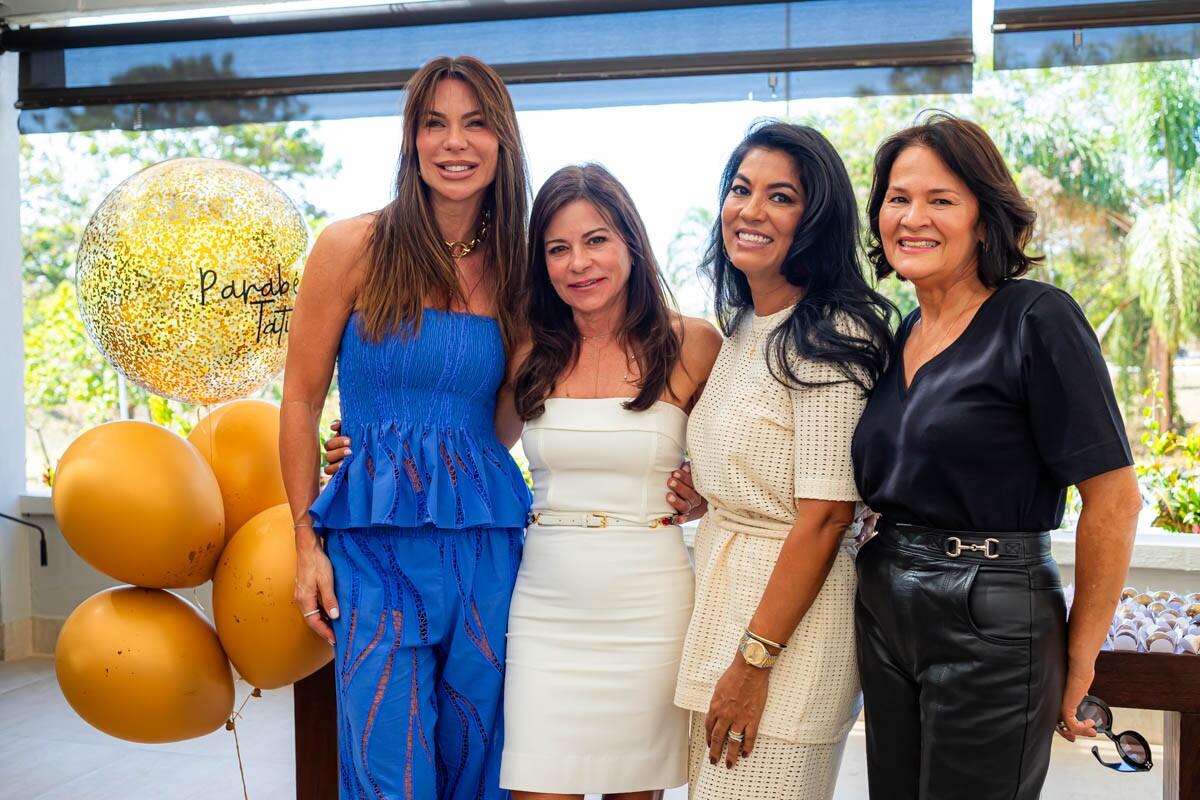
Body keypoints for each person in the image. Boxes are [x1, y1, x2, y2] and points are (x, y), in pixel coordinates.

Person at [326, 163, 720, 800]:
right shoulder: (528, 348)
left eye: (596, 240)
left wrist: (703, 490)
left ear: (631, 243)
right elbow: (474, 441)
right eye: (558, 248)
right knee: (532, 784)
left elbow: (737, 457)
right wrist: (367, 451)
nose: (578, 263)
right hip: (545, 601)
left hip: (649, 601)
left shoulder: (696, 344)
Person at [851, 112, 1142, 800]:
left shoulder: (1035, 318)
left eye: (941, 199)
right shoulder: (900, 335)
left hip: (993, 615)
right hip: (885, 600)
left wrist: (1079, 658)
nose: (913, 217)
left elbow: (1115, 499)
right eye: (898, 198)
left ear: (985, 220)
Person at [280, 56, 533, 800]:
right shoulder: (351, 247)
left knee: (477, 757)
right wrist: (303, 542)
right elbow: (298, 401)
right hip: (371, 546)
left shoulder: (521, 268)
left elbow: (503, 425)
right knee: (387, 763)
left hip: (486, 548)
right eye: (435, 124)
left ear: (502, 141)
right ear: (411, 139)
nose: (455, 143)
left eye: (476, 123)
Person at [673, 121, 895, 800]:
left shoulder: (832, 330)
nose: (751, 210)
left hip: (783, 641)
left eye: (781, 197)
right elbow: (770, 460)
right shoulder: (746, 327)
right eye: (742, 189)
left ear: (816, 218)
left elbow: (827, 515)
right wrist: (710, 491)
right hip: (726, 608)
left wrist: (753, 664)